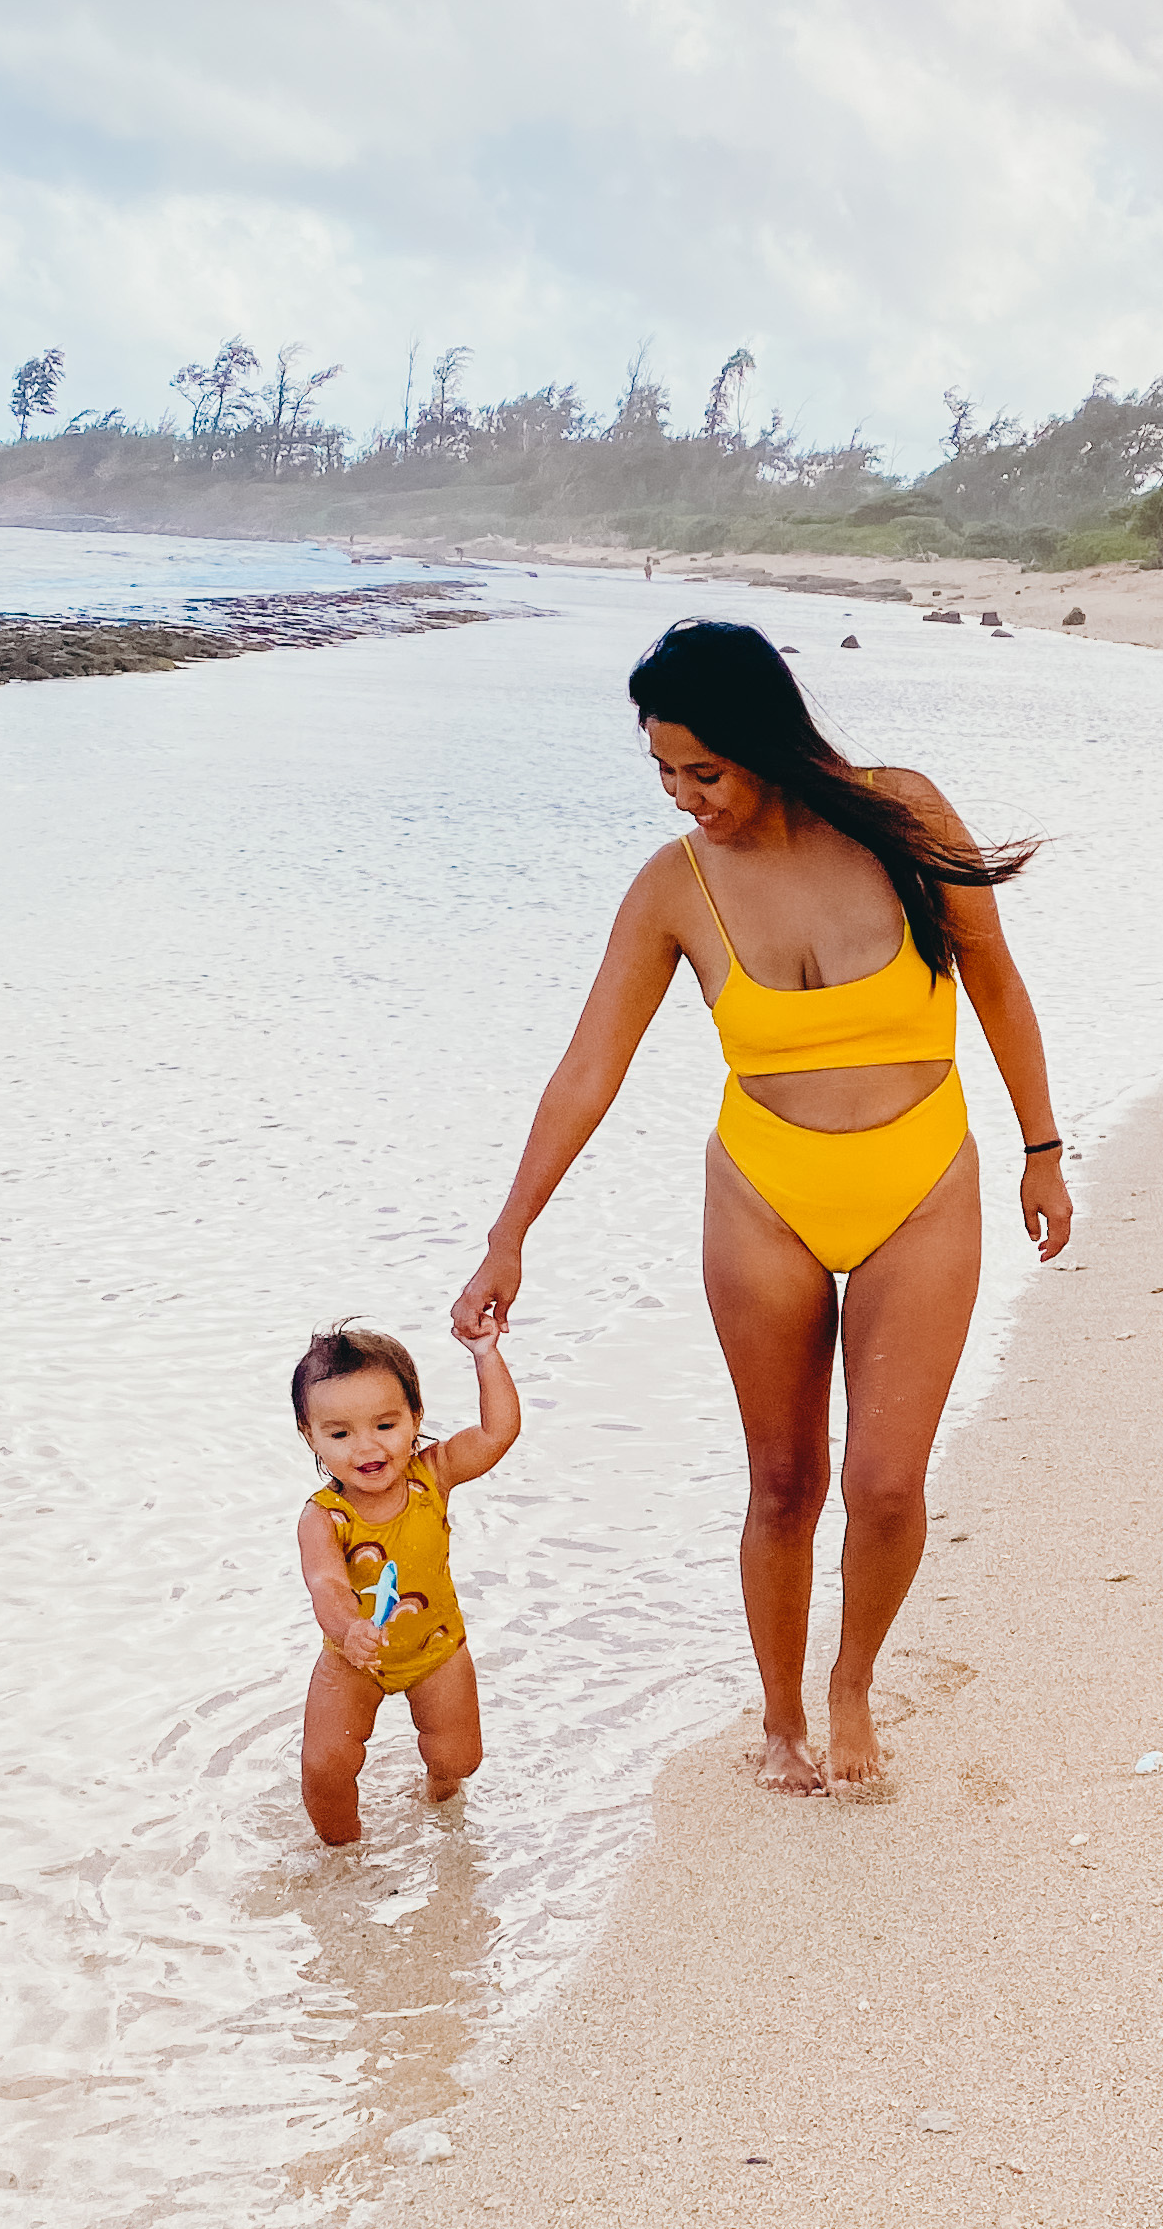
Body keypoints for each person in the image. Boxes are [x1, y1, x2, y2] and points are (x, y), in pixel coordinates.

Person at [452, 617, 1070, 1795]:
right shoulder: (674, 889)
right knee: (785, 1482)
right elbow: (589, 1069)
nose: (686, 798)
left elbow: (994, 975)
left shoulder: (904, 814)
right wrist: (508, 1235)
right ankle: (781, 1717)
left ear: (766, 743)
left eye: (705, 771)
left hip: (923, 1181)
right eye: (665, 774)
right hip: (763, 1196)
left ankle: (852, 1688)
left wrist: (1043, 1147)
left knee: (886, 1481)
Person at [293, 1319, 520, 1846]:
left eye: (385, 1425)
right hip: (354, 1658)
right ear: (312, 1436)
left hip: (435, 1648)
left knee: (459, 1758)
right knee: (325, 1767)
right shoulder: (324, 1517)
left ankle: (440, 1803)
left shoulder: (432, 1476)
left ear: (416, 1418)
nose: (366, 1447)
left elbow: (497, 1432)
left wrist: (485, 1355)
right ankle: (342, 1857)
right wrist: (350, 1630)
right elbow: (326, 1584)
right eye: (340, 1433)